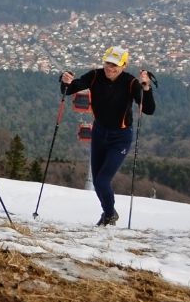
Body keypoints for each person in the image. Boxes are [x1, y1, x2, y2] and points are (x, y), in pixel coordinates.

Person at [61, 46, 155, 226]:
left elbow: (149, 109)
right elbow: (69, 89)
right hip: (99, 133)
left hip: (120, 137)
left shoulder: (130, 83)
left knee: (103, 180)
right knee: (97, 182)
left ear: (124, 65)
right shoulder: (95, 76)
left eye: (115, 65)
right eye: (107, 63)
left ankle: (110, 215)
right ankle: (109, 213)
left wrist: (146, 86)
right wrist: (65, 81)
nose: (109, 68)